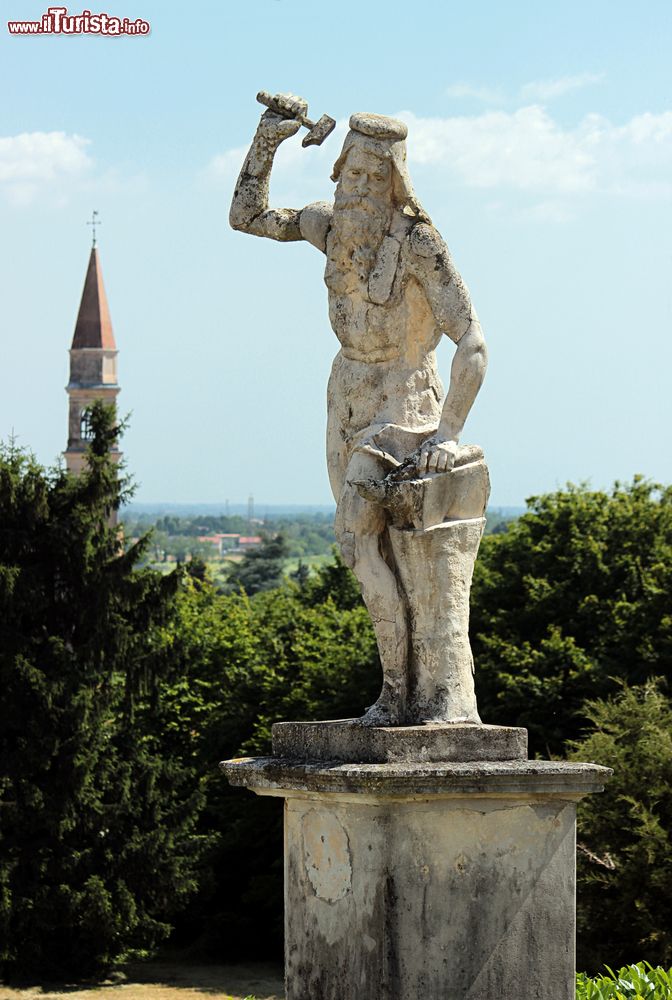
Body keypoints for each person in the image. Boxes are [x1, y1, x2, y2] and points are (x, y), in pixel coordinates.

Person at [230, 93, 487, 724]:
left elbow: (473, 342)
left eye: (376, 177)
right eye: (354, 173)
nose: (361, 187)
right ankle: (400, 691)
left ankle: (403, 694)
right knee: (362, 551)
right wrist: (268, 141)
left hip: (404, 405)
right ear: (338, 169)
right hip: (345, 396)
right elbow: (249, 216)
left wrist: (448, 432)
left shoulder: (421, 243)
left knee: (362, 534)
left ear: (396, 181)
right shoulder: (328, 225)